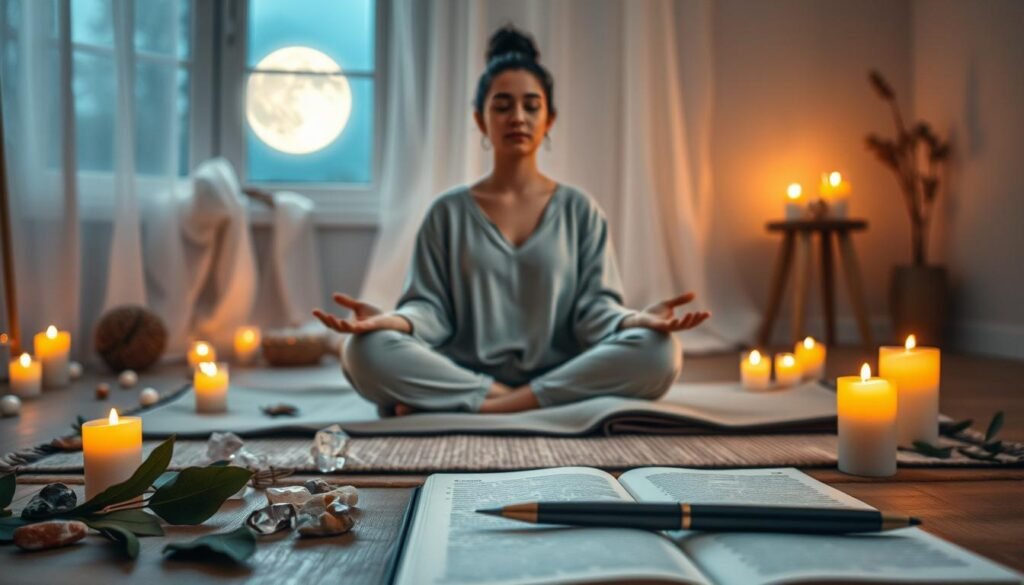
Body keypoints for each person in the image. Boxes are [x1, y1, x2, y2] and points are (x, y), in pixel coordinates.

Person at [313, 25, 710, 416]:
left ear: (549, 119)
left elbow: (594, 313)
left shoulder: (580, 210)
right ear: (482, 120)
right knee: (364, 351)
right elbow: (430, 312)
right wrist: (392, 321)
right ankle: (512, 399)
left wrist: (636, 319)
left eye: (531, 105)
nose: (517, 117)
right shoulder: (447, 213)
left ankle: (488, 406)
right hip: (462, 371)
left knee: (659, 351)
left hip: (561, 370)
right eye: (502, 106)